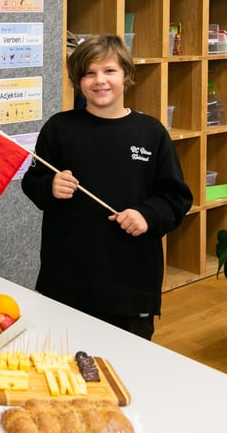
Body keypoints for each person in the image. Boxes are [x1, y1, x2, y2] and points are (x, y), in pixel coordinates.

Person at [21, 34, 193, 340]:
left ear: (127, 75)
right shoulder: (59, 128)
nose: (99, 81)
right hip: (66, 280)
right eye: (89, 73)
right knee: (61, 365)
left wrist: (147, 215)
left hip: (130, 287)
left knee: (127, 371)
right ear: (78, 80)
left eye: (109, 71)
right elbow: (32, 184)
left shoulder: (151, 132)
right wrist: (51, 186)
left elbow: (176, 198)